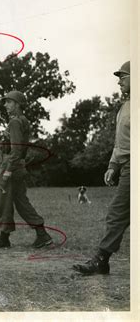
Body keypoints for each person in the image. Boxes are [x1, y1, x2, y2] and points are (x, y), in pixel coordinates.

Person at [73, 61, 130, 275]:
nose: (119, 81)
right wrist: (113, 165)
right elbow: (121, 141)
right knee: (119, 213)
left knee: (117, 213)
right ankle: (102, 261)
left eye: (123, 77)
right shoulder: (125, 107)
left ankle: (101, 260)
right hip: (126, 166)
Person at [0, 90, 53, 249]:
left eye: (9, 102)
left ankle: (4, 238)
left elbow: (16, 149)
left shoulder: (15, 122)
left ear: (18, 104)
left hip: (12, 164)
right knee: (21, 202)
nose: (6, 105)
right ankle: (42, 234)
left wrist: (8, 170)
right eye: (5, 102)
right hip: (18, 164)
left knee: (5, 201)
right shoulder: (23, 120)